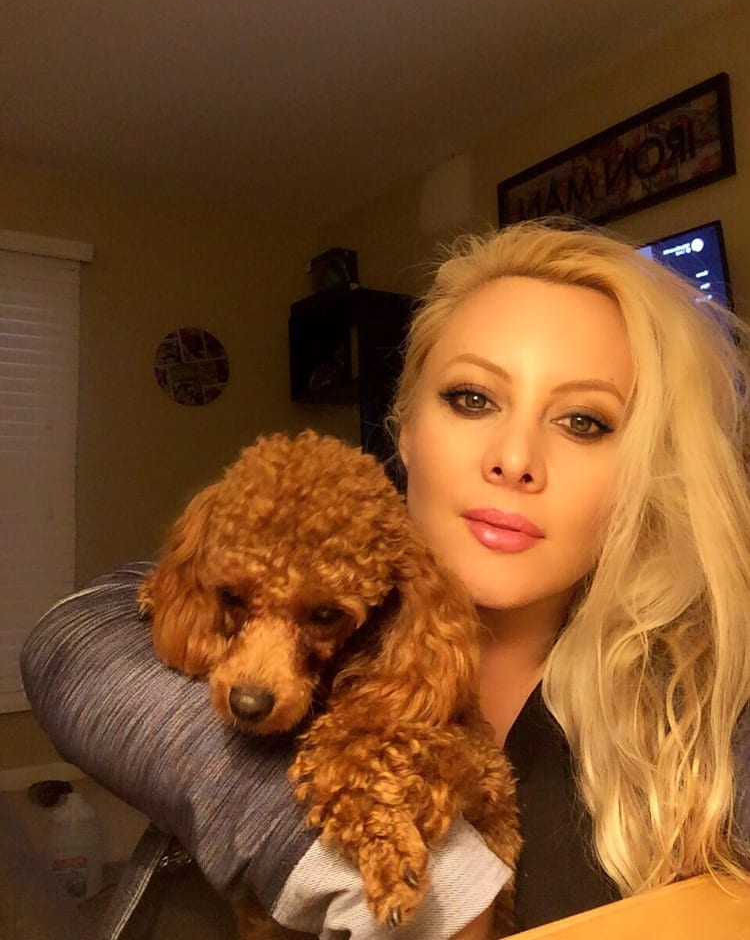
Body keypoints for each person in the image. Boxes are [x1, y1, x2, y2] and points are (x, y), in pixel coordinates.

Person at [21, 219, 750, 940]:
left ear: (645, 470)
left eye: (584, 421)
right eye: (473, 398)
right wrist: (432, 887)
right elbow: (68, 639)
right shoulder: (238, 604)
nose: (515, 458)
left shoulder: (706, 705)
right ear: (405, 430)